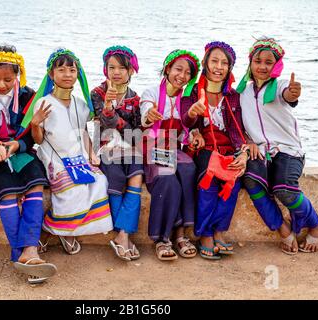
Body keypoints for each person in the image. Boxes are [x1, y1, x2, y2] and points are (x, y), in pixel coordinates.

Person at [0, 45, 55, 284]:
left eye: (8, 79)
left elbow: (30, 134)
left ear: (18, 75)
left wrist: (15, 146)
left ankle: (26, 251)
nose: (1, 85)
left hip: (20, 151)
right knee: (7, 195)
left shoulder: (28, 96)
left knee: (35, 186)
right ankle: (26, 255)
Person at [236, 37, 318, 254]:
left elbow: (289, 95)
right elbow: (237, 124)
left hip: (288, 151)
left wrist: (293, 93)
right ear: (250, 63)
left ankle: (316, 225)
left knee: (283, 189)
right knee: (251, 181)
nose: (262, 66)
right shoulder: (242, 92)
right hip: (260, 151)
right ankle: (283, 229)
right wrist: (247, 141)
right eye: (258, 61)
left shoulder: (280, 86)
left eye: (268, 62)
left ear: (276, 66)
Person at [28, 48, 113, 256]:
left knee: (100, 182)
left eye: (72, 70)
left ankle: (66, 231)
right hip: (54, 158)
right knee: (72, 189)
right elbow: (38, 140)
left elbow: (83, 131)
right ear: (51, 75)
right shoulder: (43, 103)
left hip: (79, 157)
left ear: (78, 74)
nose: (67, 75)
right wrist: (35, 124)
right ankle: (51, 230)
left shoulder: (81, 105)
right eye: (62, 70)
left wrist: (91, 154)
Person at [181, 41, 249, 260]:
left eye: (224, 63)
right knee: (208, 184)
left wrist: (243, 154)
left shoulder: (232, 96)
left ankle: (219, 230)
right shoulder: (192, 92)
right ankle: (205, 235)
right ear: (205, 63)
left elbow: (237, 129)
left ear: (230, 68)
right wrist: (193, 114)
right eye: (214, 61)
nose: (219, 67)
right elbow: (186, 121)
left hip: (228, 148)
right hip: (203, 148)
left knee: (233, 181)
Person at [140, 49, 200, 261]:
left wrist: (194, 133)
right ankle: (163, 238)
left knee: (188, 168)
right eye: (178, 69)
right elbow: (145, 112)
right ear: (167, 69)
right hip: (153, 148)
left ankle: (181, 234)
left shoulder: (187, 99)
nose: (182, 76)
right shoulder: (152, 93)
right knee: (167, 179)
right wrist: (149, 115)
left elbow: (187, 126)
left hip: (174, 148)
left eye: (187, 73)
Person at [91, 45, 143, 261]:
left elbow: (137, 132)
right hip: (105, 147)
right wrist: (108, 108)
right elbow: (100, 124)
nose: (116, 72)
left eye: (122, 68)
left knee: (137, 178)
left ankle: (123, 234)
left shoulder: (135, 97)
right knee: (114, 182)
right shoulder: (97, 94)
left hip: (130, 148)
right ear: (105, 69)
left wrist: (115, 118)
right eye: (111, 67)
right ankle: (124, 235)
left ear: (131, 70)